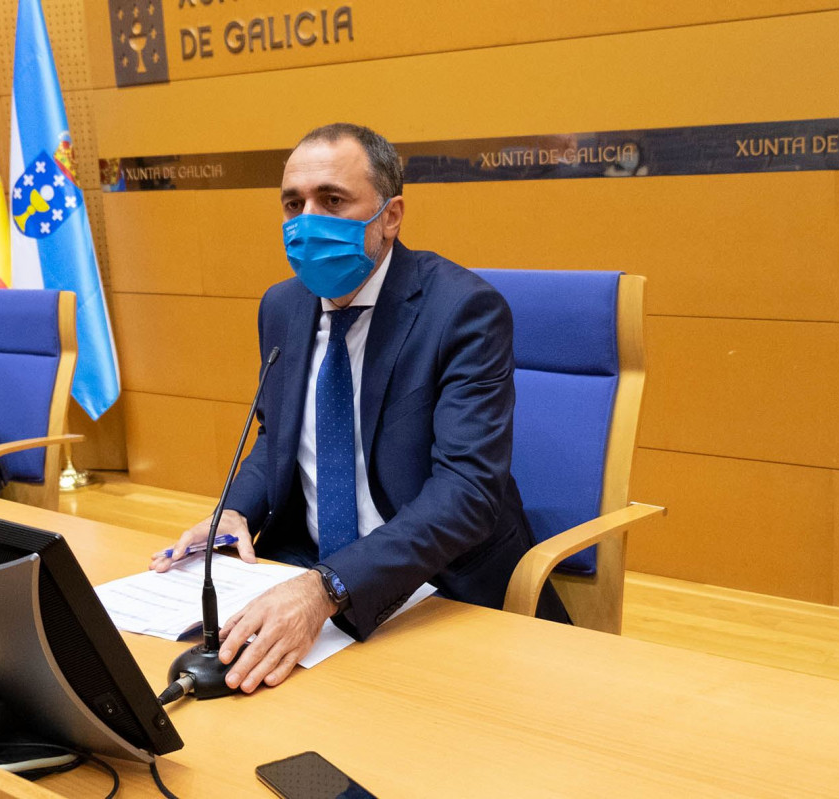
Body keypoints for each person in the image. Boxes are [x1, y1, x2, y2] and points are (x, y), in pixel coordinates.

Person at [152, 123, 568, 693]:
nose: (307, 221)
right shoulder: (282, 305)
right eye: (293, 204)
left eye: (332, 200)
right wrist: (237, 512)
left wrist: (327, 588)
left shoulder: (463, 310)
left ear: (390, 216)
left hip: (436, 584)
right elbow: (279, 437)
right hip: (305, 566)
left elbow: (468, 493)